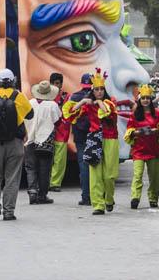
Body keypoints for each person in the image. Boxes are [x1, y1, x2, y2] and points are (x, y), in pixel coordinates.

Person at [0, 68, 33, 221]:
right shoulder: (19, 96)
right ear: (13, 81)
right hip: (15, 143)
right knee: (12, 178)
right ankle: (9, 212)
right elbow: (30, 114)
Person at [67, 70, 119, 215]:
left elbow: (108, 113)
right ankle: (98, 205)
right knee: (95, 174)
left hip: (110, 139)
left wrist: (99, 102)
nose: (99, 92)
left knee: (109, 175)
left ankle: (109, 198)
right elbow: (70, 112)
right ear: (92, 90)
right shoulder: (88, 104)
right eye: (96, 89)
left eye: (101, 89)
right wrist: (83, 101)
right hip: (94, 140)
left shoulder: (110, 101)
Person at [126, 84, 159, 209]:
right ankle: (135, 197)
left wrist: (157, 131)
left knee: (155, 177)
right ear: (139, 99)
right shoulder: (134, 115)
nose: (145, 100)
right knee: (137, 175)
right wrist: (137, 132)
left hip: (154, 150)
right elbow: (129, 131)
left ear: (151, 100)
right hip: (139, 150)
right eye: (143, 98)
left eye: (148, 98)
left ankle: (153, 198)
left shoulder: (158, 114)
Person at [24, 79, 61, 205]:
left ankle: (32, 191)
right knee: (44, 169)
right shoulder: (53, 105)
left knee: (31, 168)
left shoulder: (30, 103)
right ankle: (42, 195)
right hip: (46, 141)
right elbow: (58, 122)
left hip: (30, 140)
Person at [63, 73, 94, 206]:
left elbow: (66, 115)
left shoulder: (74, 97)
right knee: (96, 164)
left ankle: (86, 197)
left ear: (81, 84)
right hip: (95, 135)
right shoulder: (98, 96)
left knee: (83, 165)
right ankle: (97, 195)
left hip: (80, 135)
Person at [48, 72, 70, 192]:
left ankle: (55, 183)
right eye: (53, 83)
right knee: (47, 159)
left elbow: (68, 113)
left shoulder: (66, 97)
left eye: (57, 83)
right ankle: (46, 181)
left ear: (61, 84)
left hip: (62, 132)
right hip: (47, 132)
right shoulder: (45, 96)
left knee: (59, 160)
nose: (55, 86)